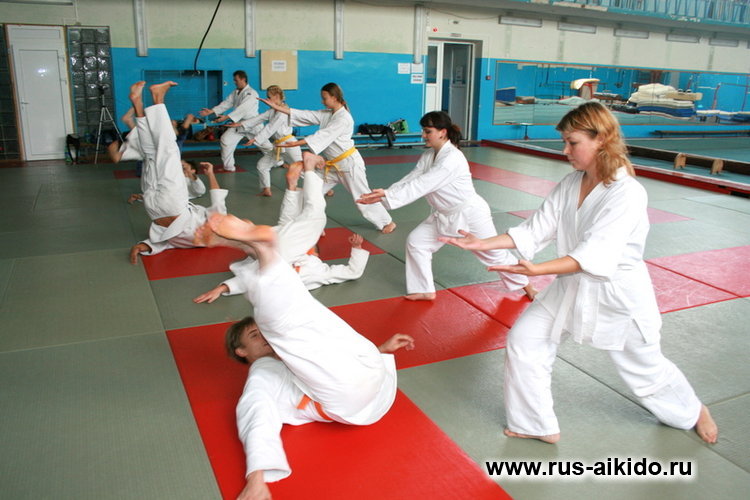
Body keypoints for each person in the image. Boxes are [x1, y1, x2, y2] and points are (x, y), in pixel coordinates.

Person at [441, 102, 718, 444]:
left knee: (643, 368)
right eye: (565, 142)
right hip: (570, 285)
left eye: (573, 143)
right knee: (525, 340)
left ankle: (692, 410)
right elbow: (535, 229)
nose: (565, 151)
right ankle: (535, 424)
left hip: (617, 293)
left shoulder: (627, 192)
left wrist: (538, 269)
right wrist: (481, 243)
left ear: (601, 139)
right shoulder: (572, 182)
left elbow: (596, 253)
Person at [193, 210, 414, 499]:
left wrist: (381, 351)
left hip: (366, 364)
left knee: (308, 316)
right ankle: (259, 249)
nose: (262, 338)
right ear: (241, 351)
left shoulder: (293, 351)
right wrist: (256, 478)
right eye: (254, 336)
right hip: (350, 392)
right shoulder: (262, 372)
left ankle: (256, 248)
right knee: (288, 323)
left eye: (259, 332)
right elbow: (256, 415)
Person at [357, 111, 535, 301]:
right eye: (423, 131)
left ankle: (529, 287)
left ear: (442, 132)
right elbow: (412, 178)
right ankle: (424, 290)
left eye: (428, 131)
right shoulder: (429, 155)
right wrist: (385, 193)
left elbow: (423, 184)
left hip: (470, 214)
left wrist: (389, 196)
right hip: (444, 214)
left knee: (494, 254)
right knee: (417, 242)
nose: (423, 135)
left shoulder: (452, 159)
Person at [193, 162, 369, 304]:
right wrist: (357, 249)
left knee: (309, 219)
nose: (310, 246)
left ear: (314, 253)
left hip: (273, 254)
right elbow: (353, 272)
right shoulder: (318, 271)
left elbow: (251, 278)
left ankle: (302, 175)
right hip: (273, 253)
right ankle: (243, 240)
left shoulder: (315, 267)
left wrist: (222, 288)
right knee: (288, 227)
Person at [258, 82, 396, 233]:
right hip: (332, 167)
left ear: (334, 97)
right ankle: (311, 224)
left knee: (362, 196)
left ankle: (386, 222)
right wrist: (277, 107)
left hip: (349, 165)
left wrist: (297, 143)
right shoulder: (328, 114)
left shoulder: (344, 118)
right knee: (311, 191)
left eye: (324, 98)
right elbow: (305, 115)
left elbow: (325, 134)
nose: (322, 101)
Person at [126, 80, 229, 264]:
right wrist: (145, 246)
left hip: (174, 205)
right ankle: (138, 106)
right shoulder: (199, 241)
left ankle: (158, 98)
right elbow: (167, 243)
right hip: (153, 210)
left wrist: (211, 174)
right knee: (150, 154)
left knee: (169, 149)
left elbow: (217, 200)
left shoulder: (219, 227)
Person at [226, 85, 302, 197]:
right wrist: (240, 124)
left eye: (269, 97)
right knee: (262, 165)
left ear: (277, 97)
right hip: (278, 146)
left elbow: (271, 128)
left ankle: (321, 187)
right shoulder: (272, 111)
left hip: (290, 144)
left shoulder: (283, 111)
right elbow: (258, 118)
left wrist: (256, 139)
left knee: (303, 169)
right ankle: (266, 189)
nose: (267, 99)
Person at [200, 70, 265, 172]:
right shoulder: (236, 92)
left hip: (252, 124)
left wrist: (226, 117)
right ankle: (229, 167)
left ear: (243, 79)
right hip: (238, 124)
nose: (234, 82)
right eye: (234, 80)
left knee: (265, 145)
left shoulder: (251, 93)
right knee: (226, 140)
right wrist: (212, 111)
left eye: (236, 80)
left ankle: (279, 162)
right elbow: (227, 103)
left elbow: (243, 109)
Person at [127, 159, 206, 204]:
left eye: (184, 168)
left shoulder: (193, 182)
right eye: (181, 168)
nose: (182, 169)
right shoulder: (175, 176)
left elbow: (200, 191)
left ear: (193, 170)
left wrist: (190, 175)